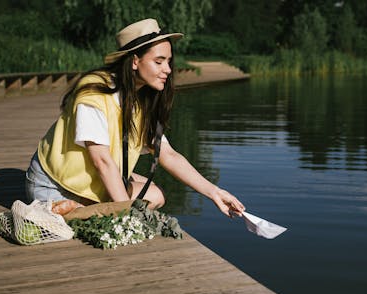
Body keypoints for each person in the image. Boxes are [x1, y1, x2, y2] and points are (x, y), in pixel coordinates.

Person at [25, 18, 245, 218]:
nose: (168, 69)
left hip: (93, 181)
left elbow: (168, 155)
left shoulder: (142, 99)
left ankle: (97, 207)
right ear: (134, 62)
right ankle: (75, 209)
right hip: (54, 187)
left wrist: (215, 192)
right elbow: (102, 161)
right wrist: (126, 216)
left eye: (168, 61)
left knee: (156, 197)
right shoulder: (94, 91)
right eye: (158, 62)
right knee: (113, 216)